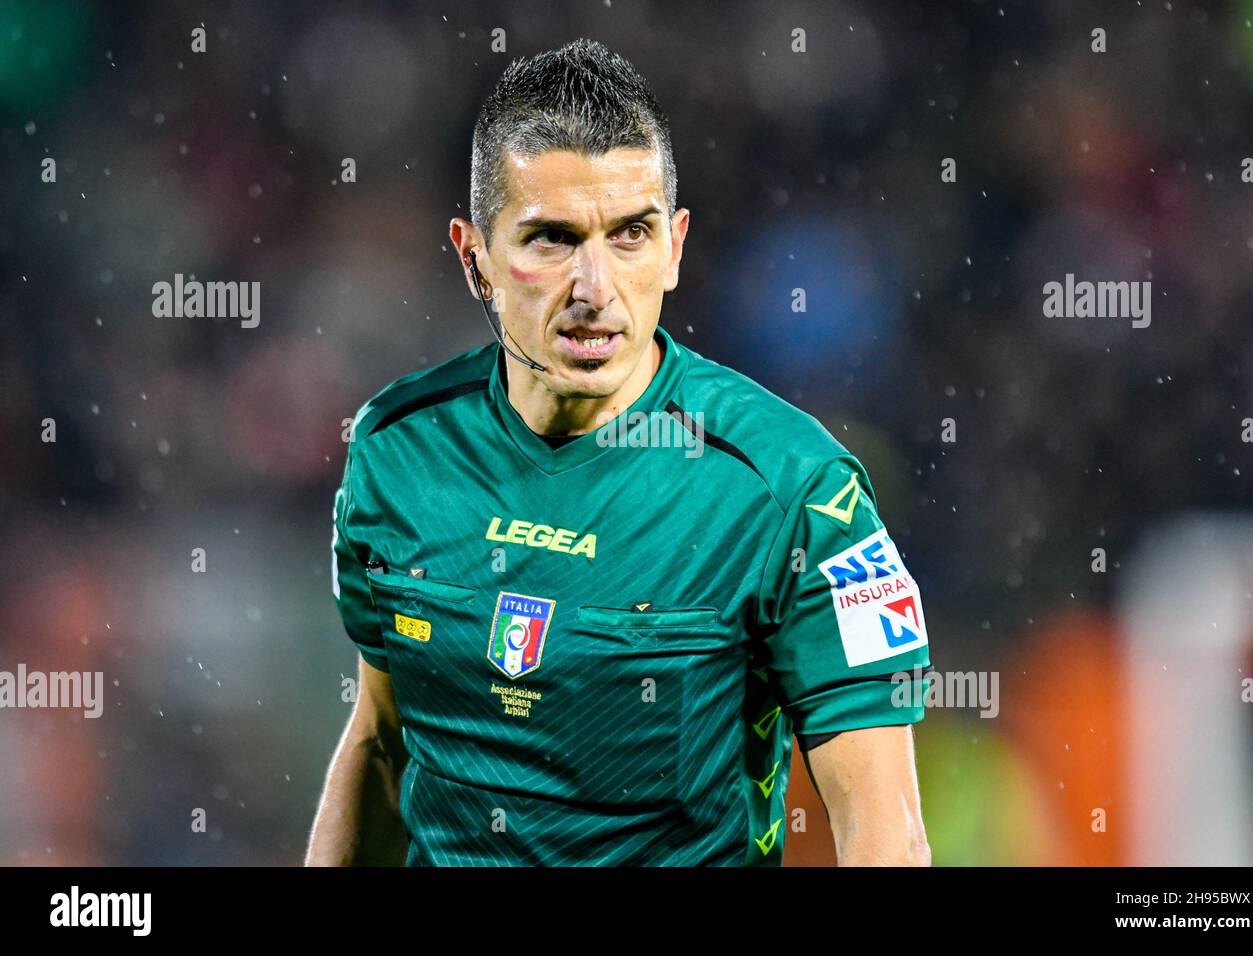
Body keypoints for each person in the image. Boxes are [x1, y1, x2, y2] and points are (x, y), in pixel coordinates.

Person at [307, 38, 933, 866]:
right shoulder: (396, 452)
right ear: (475, 260)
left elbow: (885, 839)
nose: (594, 289)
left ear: (674, 247)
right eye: (552, 240)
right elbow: (382, 743)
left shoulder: (796, 493)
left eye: (629, 234)